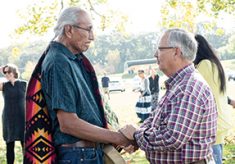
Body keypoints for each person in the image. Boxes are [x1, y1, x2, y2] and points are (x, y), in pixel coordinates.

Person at [40, 7, 131, 163]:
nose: (92, 37)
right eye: (88, 30)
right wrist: (117, 138)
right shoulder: (58, 62)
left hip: (86, 154)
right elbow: (68, 124)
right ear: (69, 30)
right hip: (78, 156)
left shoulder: (71, 59)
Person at [119, 28, 217, 163]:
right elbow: (155, 120)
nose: (155, 54)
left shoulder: (188, 88)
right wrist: (138, 134)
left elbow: (172, 137)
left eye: (160, 49)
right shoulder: (180, 84)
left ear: (176, 52)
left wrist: (136, 135)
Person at [194, 34, 233, 164]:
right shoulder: (215, 63)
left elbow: (195, 92)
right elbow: (214, 91)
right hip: (220, 121)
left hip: (211, 124)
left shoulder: (204, 65)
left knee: (214, 159)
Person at [0, 64, 26, 164]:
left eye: (8, 71)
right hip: (8, 118)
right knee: (9, 146)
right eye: (5, 72)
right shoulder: (4, 85)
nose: (6, 74)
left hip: (22, 118)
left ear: (14, 72)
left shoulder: (24, 84)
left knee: (25, 146)